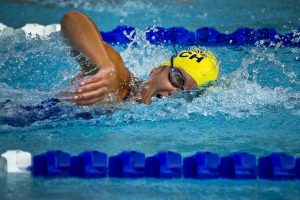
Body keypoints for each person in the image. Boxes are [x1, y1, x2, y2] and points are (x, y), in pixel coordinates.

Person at [60, 11, 219, 105]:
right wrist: (104, 65)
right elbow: (73, 19)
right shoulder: (118, 81)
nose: (174, 92)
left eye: (186, 93)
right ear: (156, 70)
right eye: (177, 78)